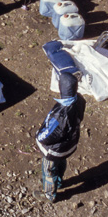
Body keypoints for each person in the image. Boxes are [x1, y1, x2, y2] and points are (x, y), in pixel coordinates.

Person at [34, 72, 85, 202]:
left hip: (55, 150)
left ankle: (49, 194)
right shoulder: (79, 101)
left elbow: (48, 136)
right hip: (69, 145)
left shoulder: (61, 114)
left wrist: (38, 136)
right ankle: (59, 181)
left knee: (48, 169)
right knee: (62, 162)